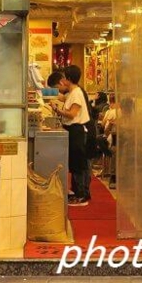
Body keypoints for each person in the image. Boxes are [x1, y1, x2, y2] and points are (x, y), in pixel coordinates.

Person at [52, 65, 91, 206]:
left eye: (64, 77)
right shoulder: (72, 92)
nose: (62, 80)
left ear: (68, 78)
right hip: (73, 130)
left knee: (78, 164)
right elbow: (63, 97)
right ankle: (78, 193)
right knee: (75, 163)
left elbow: (72, 114)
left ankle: (82, 195)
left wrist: (57, 110)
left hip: (76, 130)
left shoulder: (77, 93)